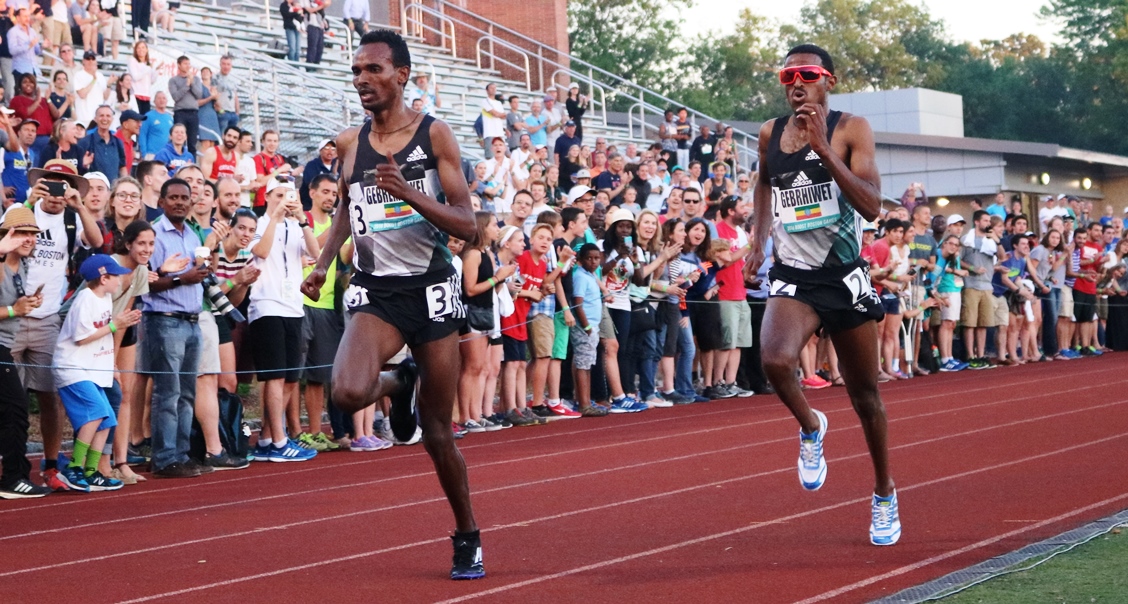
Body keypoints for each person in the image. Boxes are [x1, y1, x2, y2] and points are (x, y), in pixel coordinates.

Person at [299, 29, 483, 581]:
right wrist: (325, 262)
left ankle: (467, 532)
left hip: (430, 290)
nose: (362, 81)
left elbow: (469, 226)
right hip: (376, 290)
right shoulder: (350, 143)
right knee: (348, 391)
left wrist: (408, 193)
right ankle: (397, 383)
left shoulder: (435, 136)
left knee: (437, 433)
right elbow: (343, 211)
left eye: (373, 70)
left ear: (401, 75)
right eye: (356, 72)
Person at [747, 44, 899, 546]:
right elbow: (765, 185)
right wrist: (758, 237)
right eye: (788, 74)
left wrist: (824, 151)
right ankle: (811, 427)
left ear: (827, 80)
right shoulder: (770, 132)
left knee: (865, 398)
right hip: (795, 274)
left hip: (845, 274)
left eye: (807, 74)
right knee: (774, 361)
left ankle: (883, 492)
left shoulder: (851, 129)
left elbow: (874, 206)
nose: (796, 82)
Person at [53, 254, 140, 492]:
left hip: (92, 369)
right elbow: (82, 338)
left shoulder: (105, 299)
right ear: (103, 278)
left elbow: (102, 338)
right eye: (116, 276)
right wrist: (115, 325)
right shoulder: (86, 299)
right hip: (73, 368)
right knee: (96, 414)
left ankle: (91, 471)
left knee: (107, 419)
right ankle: (73, 467)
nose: (121, 280)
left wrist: (109, 366)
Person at [142, 178, 211, 478]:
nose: (180, 202)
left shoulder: (194, 236)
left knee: (186, 394)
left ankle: (182, 455)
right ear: (161, 201)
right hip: (165, 320)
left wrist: (201, 275)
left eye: (185, 197)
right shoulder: (154, 236)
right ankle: (165, 457)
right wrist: (185, 278)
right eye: (174, 198)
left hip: (192, 322)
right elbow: (147, 283)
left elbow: (197, 278)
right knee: (168, 394)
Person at [0, 207, 53, 499]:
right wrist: (14, 309)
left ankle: (15, 476)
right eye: (22, 233)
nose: (30, 239)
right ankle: (13, 478)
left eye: (33, 233)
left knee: (12, 410)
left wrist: (26, 303)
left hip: (5, 344)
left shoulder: (23, 265)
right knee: (17, 409)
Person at [139, 90, 172, 159]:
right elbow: (142, 134)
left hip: (166, 155)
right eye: (159, 98)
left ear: (167, 101)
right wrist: (144, 153)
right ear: (154, 101)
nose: (161, 100)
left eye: (164, 98)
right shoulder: (149, 116)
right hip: (152, 154)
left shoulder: (170, 118)